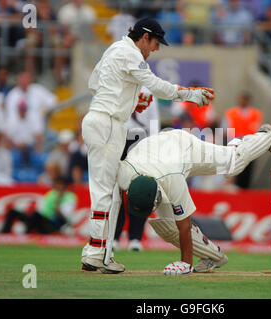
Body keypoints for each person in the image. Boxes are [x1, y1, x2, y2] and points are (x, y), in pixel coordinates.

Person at [80, 18, 214, 274]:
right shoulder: (129, 52)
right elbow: (154, 84)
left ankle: (96, 252)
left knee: (107, 189)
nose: (156, 49)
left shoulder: (114, 49)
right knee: (107, 192)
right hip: (108, 124)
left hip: (102, 120)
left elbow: (95, 83)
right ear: (144, 37)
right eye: (154, 43)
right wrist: (188, 94)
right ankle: (99, 254)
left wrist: (131, 101)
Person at [100, 124, 271, 275]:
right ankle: (213, 257)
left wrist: (185, 264)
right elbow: (113, 206)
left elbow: (185, 225)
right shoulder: (123, 174)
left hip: (185, 147)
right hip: (157, 150)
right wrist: (102, 252)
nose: (150, 211)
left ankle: (266, 137)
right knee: (167, 226)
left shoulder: (172, 178)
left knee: (232, 164)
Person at [114, 86, 160, 252]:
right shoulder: (119, 86)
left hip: (141, 140)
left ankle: (135, 238)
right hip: (119, 138)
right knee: (117, 190)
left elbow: (154, 121)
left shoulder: (148, 90)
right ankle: (114, 236)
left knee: (138, 191)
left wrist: (153, 145)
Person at [1, 177, 77, 234]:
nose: (58, 186)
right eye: (57, 184)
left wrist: (58, 203)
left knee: (35, 217)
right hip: (40, 220)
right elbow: (43, 208)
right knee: (13, 212)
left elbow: (65, 216)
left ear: (65, 185)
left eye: (60, 184)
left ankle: (25, 235)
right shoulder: (52, 193)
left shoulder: (69, 197)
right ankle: (4, 233)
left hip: (52, 224)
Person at [222, 91, 264, 188]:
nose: (242, 101)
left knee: (247, 170)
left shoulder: (255, 114)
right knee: (234, 169)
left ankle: (245, 188)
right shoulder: (230, 113)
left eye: (244, 99)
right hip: (235, 145)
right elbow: (225, 129)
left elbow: (258, 130)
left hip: (250, 145)